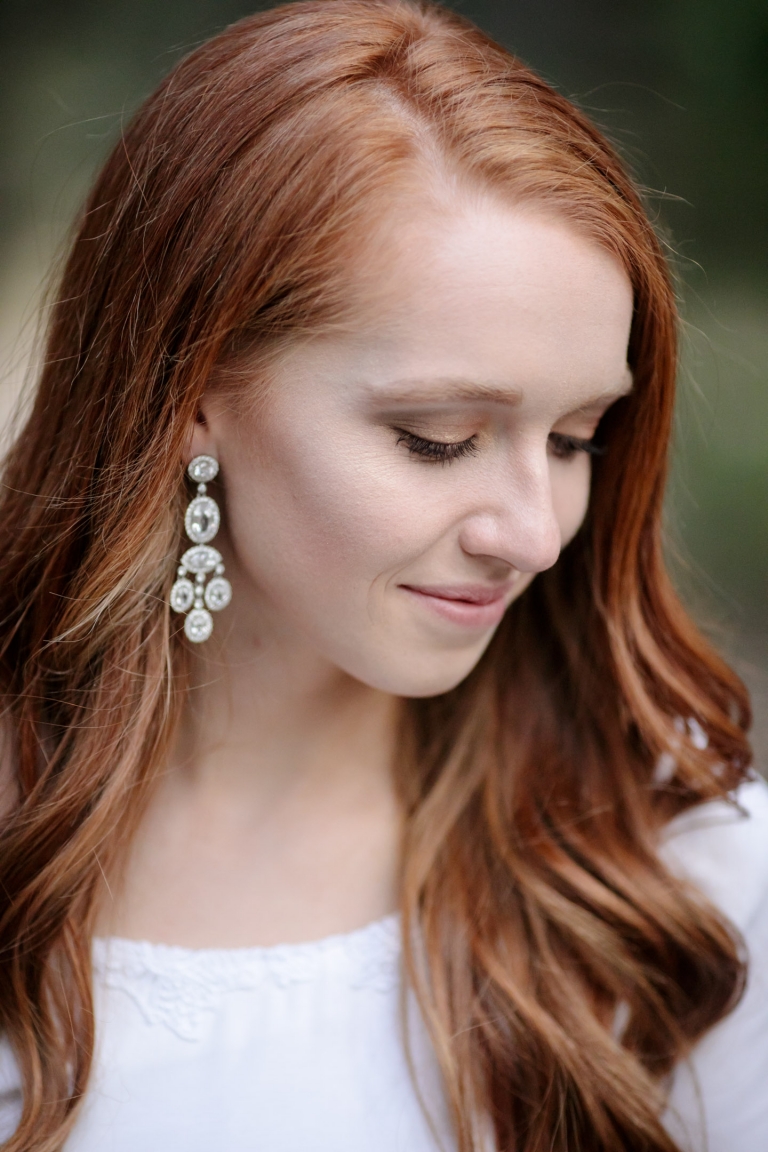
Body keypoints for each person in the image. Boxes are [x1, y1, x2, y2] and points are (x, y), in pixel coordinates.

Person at [0, 1, 765, 1149]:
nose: (535, 535)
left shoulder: (672, 869)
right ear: (188, 396)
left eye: (575, 442)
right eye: (439, 437)